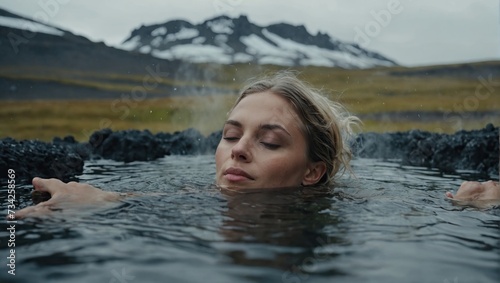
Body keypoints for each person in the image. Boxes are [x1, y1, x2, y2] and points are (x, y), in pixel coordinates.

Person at [14, 72, 500, 218]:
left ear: (313, 171)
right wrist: (99, 198)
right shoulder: (199, 198)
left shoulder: (345, 209)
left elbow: (409, 206)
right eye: (229, 135)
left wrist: (466, 205)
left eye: (268, 142)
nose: (238, 150)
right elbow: (154, 201)